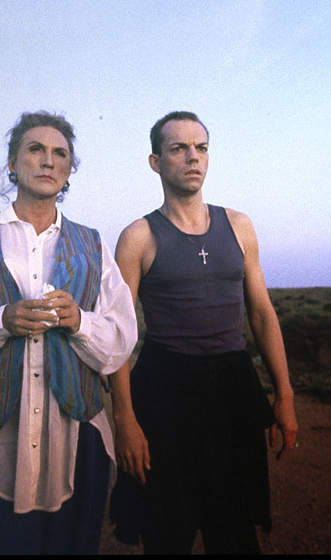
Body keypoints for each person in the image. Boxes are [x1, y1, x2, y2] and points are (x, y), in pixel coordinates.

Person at [0, 111, 137, 554]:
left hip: (73, 438)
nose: (48, 161)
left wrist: (81, 322)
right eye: (35, 149)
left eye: (60, 153)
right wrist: (0, 320)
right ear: (12, 164)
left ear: (69, 170)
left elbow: (121, 337)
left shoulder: (93, 244)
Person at [107, 111, 299, 554]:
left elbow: (263, 313)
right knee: (167, 531)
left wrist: (284, 395)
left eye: (201, 147)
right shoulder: (138, 236)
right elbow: (118, 333)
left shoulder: (239, 225)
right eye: (178, 148)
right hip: (166, 392)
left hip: (233, 389)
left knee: (234, 530)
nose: (193, 157)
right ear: (156, 162)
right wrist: (125, 419)